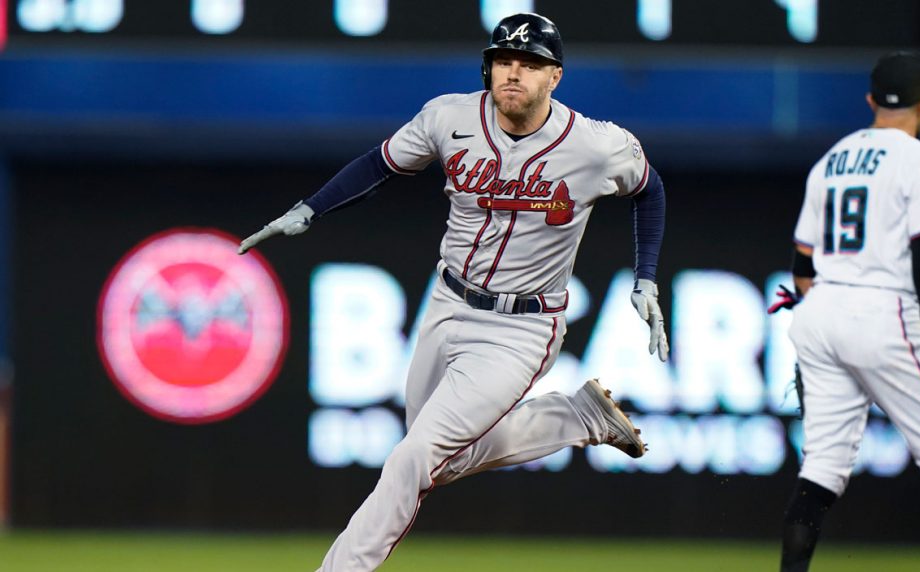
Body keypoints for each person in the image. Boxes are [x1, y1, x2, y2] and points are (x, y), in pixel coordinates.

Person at [238, 13, 668, 572]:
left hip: (522, 326)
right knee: (439, 456)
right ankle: (578, 419)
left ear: (554, 77)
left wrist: (646, 275)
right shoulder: (450, 117)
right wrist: (310, 208)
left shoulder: (595, 145)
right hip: (445, 303)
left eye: (530, 64)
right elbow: (380, 163)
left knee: (412, 458)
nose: (513, 73)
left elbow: (649, 189)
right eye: (503, 61)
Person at [770, 52, 920, 572]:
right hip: (882, 310)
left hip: (819, 312)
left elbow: (801, 265)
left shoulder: (832, 159)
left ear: (869, 101)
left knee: (821, 468)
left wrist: (825, 319)